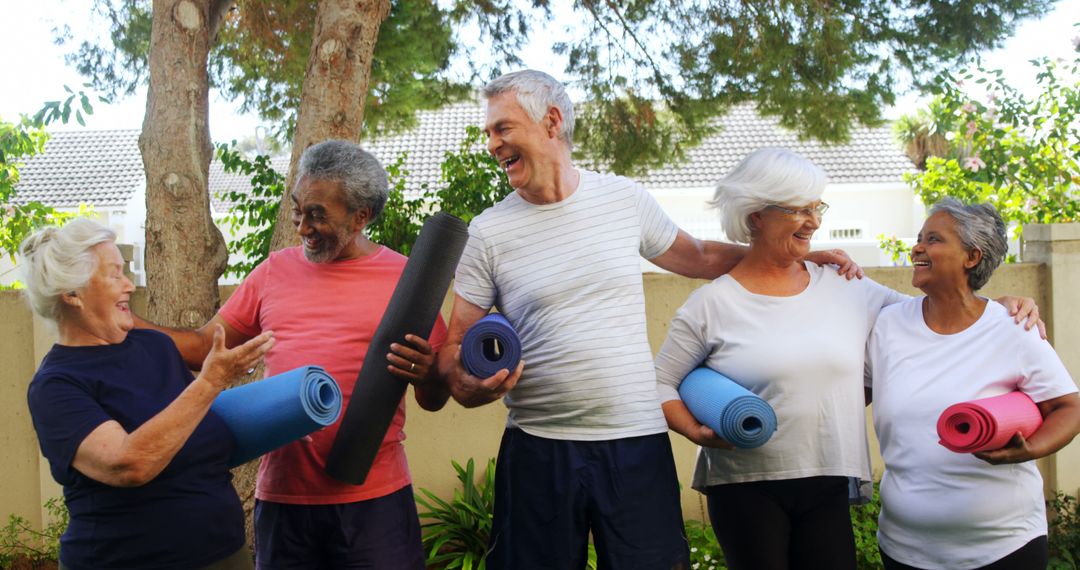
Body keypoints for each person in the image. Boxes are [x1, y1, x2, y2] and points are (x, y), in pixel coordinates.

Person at [438, 70, 859, 570]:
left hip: (636, 442)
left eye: (501, 128)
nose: (491, 144)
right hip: (538, 448)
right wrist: (467, 386)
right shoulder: (489, 232)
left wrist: (793, 257)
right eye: (489, 132)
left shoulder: (623, 199)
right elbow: (454, 349)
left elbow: (699, 256)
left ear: (551, 121)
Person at [652, 149, 1042, 570]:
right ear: (755, 216)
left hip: (829, 480)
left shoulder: (846, 286)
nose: (815, 221)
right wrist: (695, 430)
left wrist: (999, 305)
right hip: (744, 484)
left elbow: (935, 313)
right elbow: (659, 383)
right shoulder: (710, 304)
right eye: (799, 210)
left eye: (816, 207)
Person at [135, 140, 449, 569]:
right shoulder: (272, 272)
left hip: (374, 499)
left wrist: (428, 372)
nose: (302, 227)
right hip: (284, 499)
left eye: (318, 214)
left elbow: (433, 398)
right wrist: (124, 324)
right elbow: (202, 348)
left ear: (361, 217)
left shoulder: (407, 280)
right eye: (299, 210)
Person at [21, 218, 275, 569]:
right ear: (72, 294)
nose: (129, 285)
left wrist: (285, 415)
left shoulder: (156, 347)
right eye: (114, 275)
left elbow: (195, 432)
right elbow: (129, 464)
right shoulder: (56, 385)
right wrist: (210, 382)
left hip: (224, 553)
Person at [866, 198, 1080, 570]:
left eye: (933, 239)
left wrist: (1028, 450)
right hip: (905, 549)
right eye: (919, 237)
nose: (917, 246)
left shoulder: (1014, 327)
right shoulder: (887, 326)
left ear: (971, 256)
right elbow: (849, 395)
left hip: (1005, 547)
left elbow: (1069, 408)